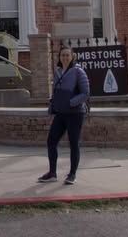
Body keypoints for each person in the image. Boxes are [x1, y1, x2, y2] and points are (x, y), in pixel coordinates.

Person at [37, 45, 90, 185]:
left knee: (74, 143)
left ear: (72, 56)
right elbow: (55, 92)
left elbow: (85, 93)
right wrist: (52, 105)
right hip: (60, 114)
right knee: (51, 141)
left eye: (67, 55)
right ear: (59, 57)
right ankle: (52, 173)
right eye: (62, 55)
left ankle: (72, 174)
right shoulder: (58, 72)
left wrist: (71, 102)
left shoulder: (78, 71)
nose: (65, 57)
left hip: (75, 114)